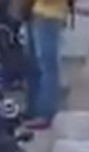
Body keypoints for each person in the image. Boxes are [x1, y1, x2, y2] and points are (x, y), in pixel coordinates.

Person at [23, 0, 70, 129]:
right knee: (34, 66)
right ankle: (33, 109)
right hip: (36, 12)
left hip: (49, 14)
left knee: (47, 66)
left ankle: (44, 113)